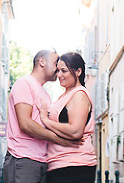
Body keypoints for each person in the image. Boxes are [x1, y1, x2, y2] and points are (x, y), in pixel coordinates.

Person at [4, 49, 79, 183]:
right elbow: (25, 124)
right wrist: (59, 140)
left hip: (41, 161)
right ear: (42, 62)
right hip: (23, 159)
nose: (59, 67)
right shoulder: (24, 83)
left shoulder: (45, 94)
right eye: (56, 62)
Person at [37, 52, 97, 183]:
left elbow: (75, 131)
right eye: (58, 70)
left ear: (78, 71)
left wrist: (46, 121)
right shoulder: (65, 95)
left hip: (75, 166)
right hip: (60, 166)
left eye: (64, 71)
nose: (59, 75)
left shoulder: (79, 94)